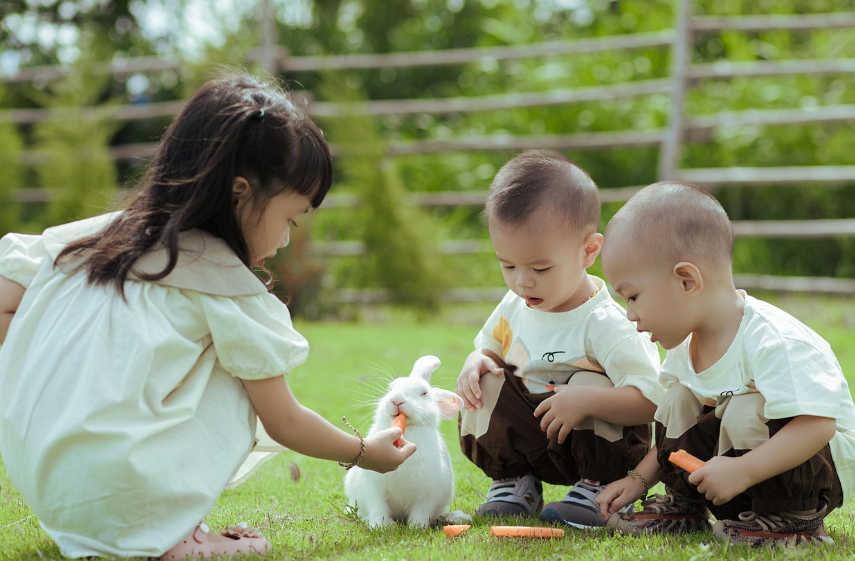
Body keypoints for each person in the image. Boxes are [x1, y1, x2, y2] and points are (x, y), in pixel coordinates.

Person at [0, 73, 415, 559]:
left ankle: (140, 511)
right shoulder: (222, 288)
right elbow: (284, 420)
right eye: (289, 218)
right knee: (239, 367)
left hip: (51, 488)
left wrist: (61, 374)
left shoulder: (92, 240)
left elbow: (6, 302)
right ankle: (168, 533)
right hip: (124, 498)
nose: (286, 239)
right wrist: (365, 454)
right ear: (240, 192)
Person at [596, 181, 855, 547]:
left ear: (687, 281)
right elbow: (677, 435)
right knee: (677, 398)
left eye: (633, 296)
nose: (630, 314)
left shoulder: (774, 341)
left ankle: (793, 521)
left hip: (810, 473)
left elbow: (817, 425)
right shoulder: (685, 346)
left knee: (745, 407)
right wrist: (637, 479)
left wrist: (743, 469)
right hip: (737, 473)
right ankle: (684, 507)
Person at [455, 150, 664, 528]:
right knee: (485, 377)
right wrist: (476, 362)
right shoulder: (514, 305)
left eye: (540, 268)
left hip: (596, 444)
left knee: (587, 379)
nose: (522, 282)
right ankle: (513, 482)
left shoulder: (607, 324)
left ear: (588, 251)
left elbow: (653, 401)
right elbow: (490, 348)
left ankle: (599, 488)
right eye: (508, 265)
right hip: (535, 435)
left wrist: (586, 400)